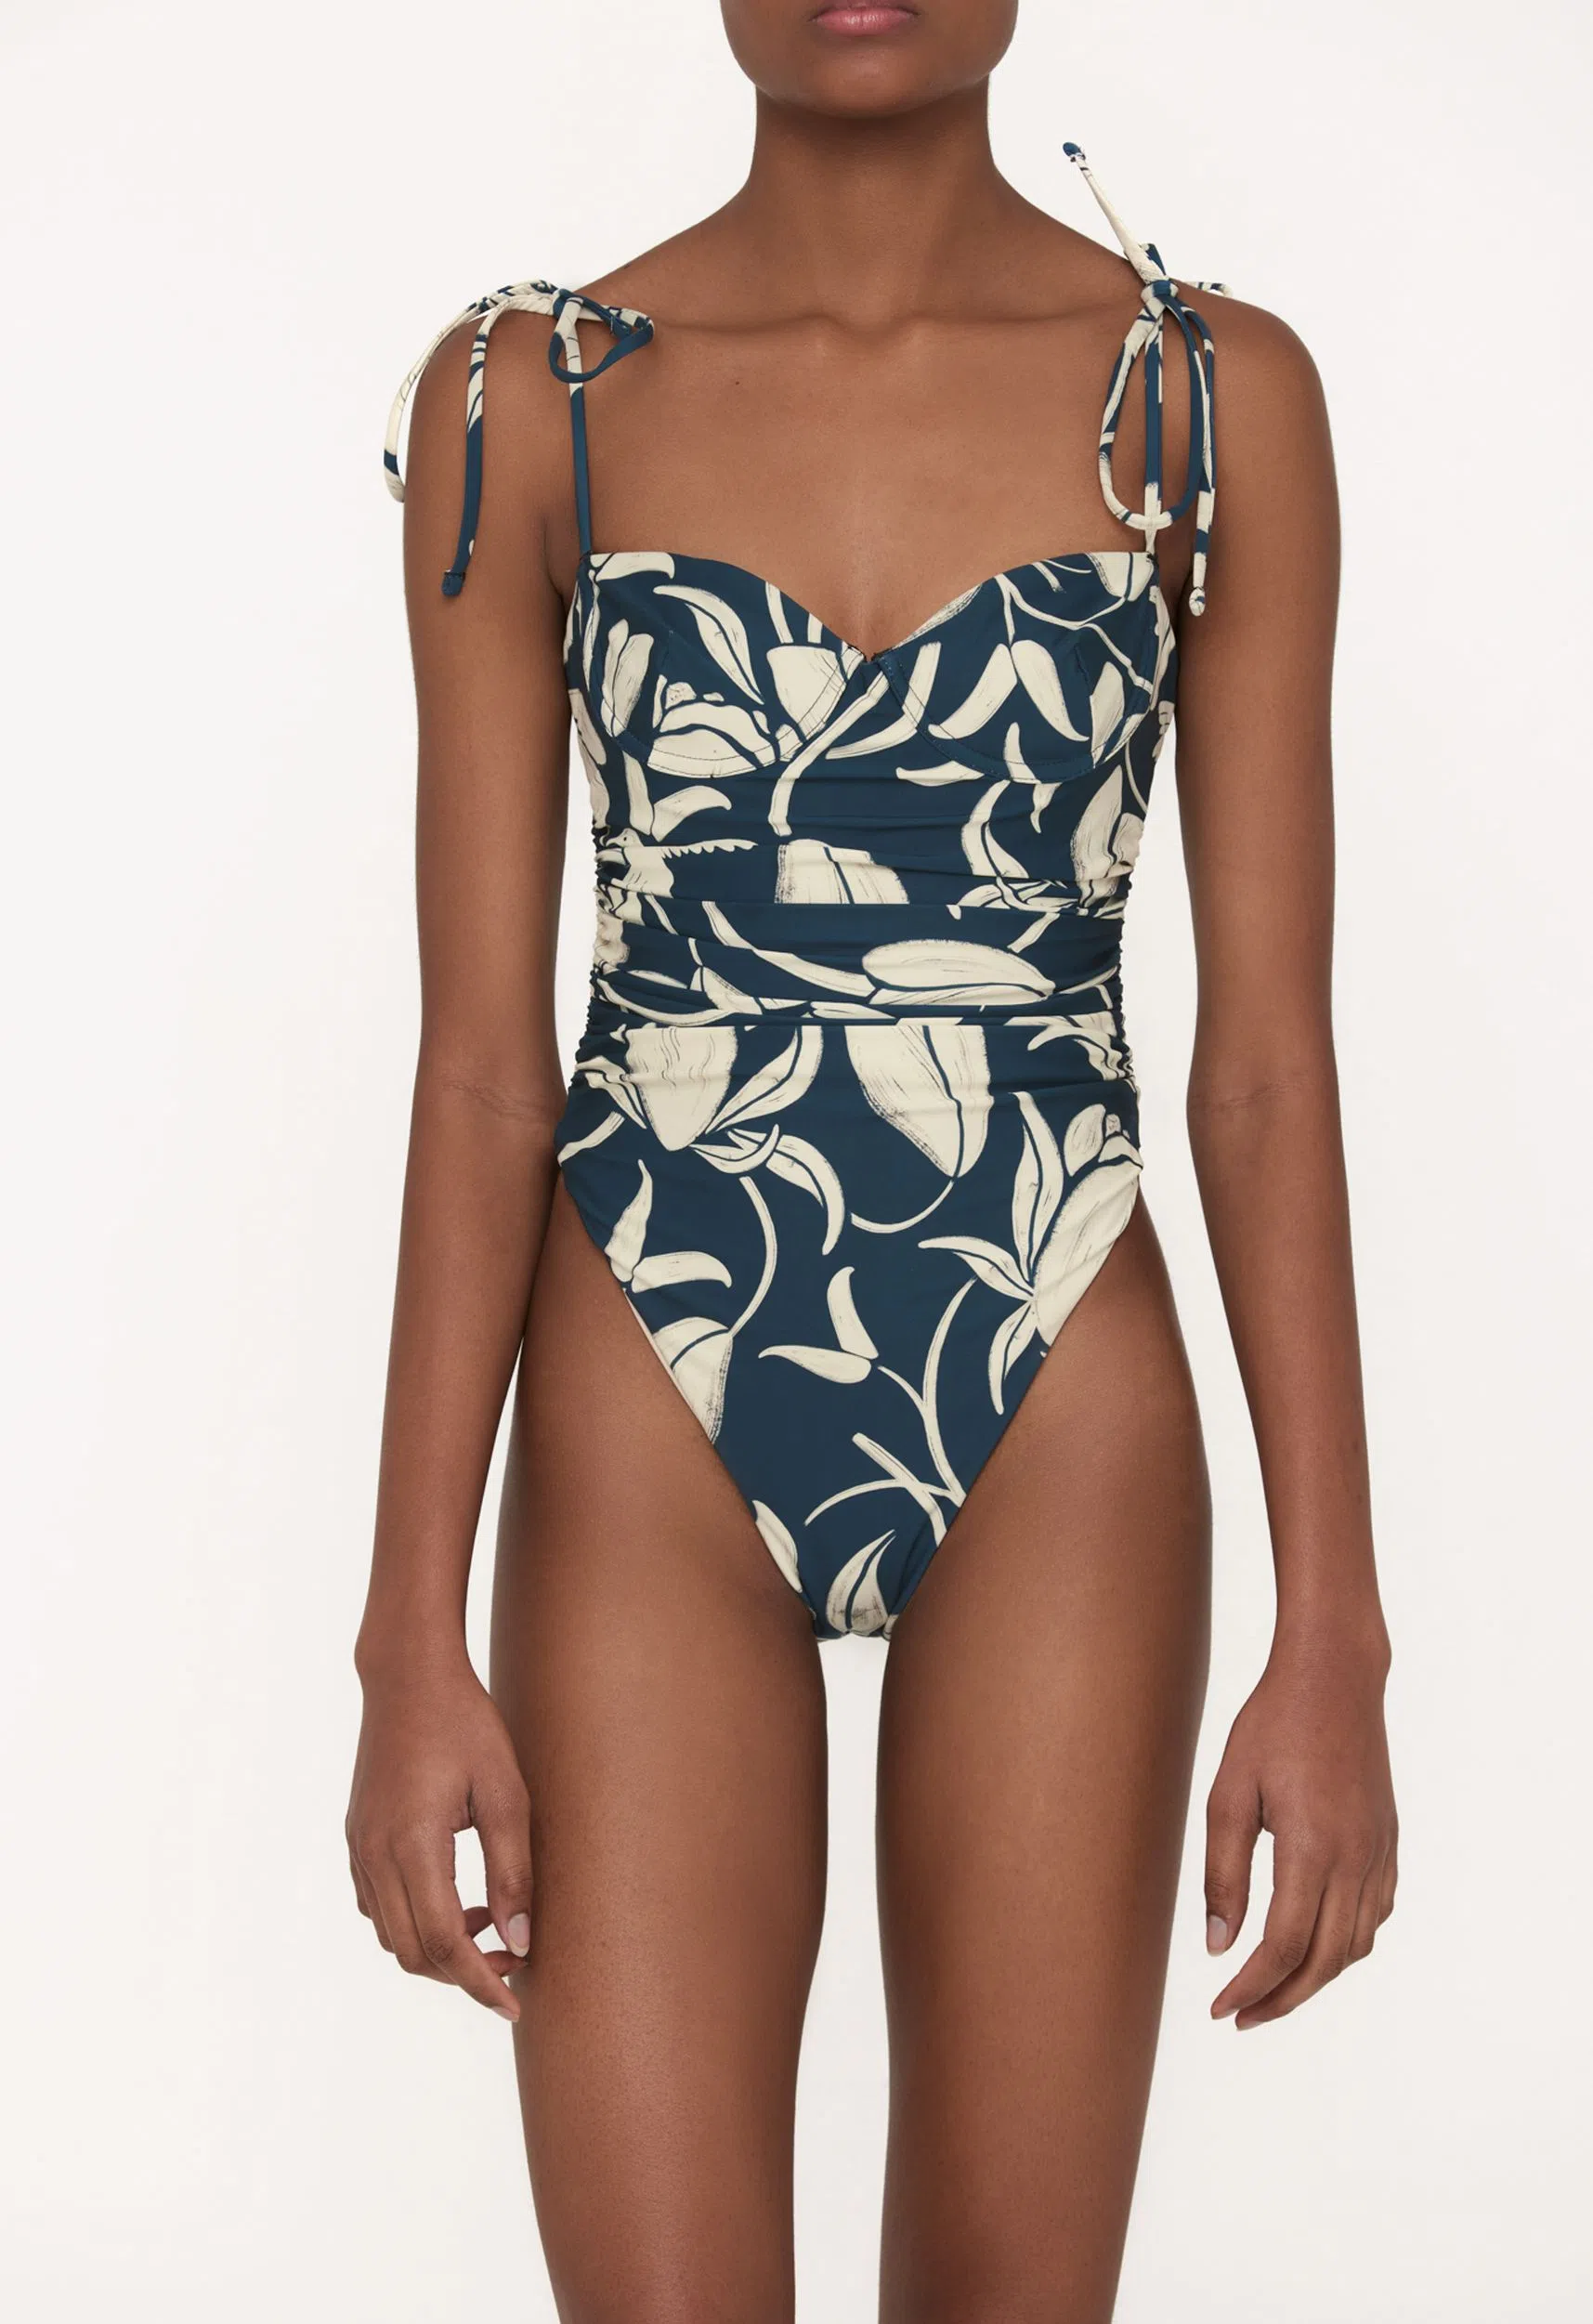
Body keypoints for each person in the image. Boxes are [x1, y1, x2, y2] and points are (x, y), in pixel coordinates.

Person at [346, 3, 1398, 2315]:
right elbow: (481, 1072)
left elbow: (1260, 1069)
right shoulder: (526, 402)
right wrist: (402, 1637)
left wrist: (1334, 1636)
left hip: (1056, 1370)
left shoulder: (1207, 399)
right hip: (644, 1366)